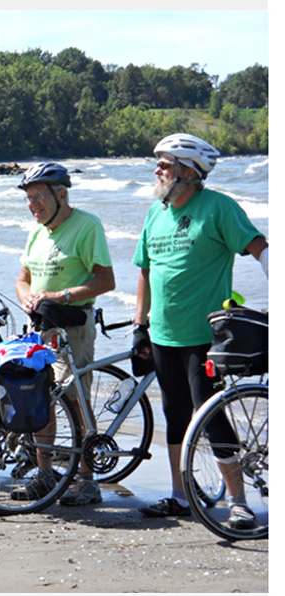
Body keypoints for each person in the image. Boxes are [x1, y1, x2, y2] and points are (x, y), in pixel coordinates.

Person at [132, 133, 268, 528]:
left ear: (189, 172)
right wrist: (140, 325)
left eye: (165, 164)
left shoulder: (219, 208)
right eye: (158, 163)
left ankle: (238, 502)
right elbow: (145, 271)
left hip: (205, 337)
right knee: (174, 414)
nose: (157, 170)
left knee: (210, 415)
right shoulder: (156, 212)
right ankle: (180, 494)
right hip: (162, 334)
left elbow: (260, 248)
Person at [13, 162, 115, 505]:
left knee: (75, 400)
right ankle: (45, 475)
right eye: (28, 199)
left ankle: (87, 481)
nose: (32, 205)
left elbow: (105, 280)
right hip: (40, 327)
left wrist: (60, 295)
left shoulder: (87, 226)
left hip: (73, 326)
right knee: (38, 399)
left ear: (61, 194)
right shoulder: (36, 231)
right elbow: (22, 277)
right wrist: (26, 296)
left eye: (38, 197)